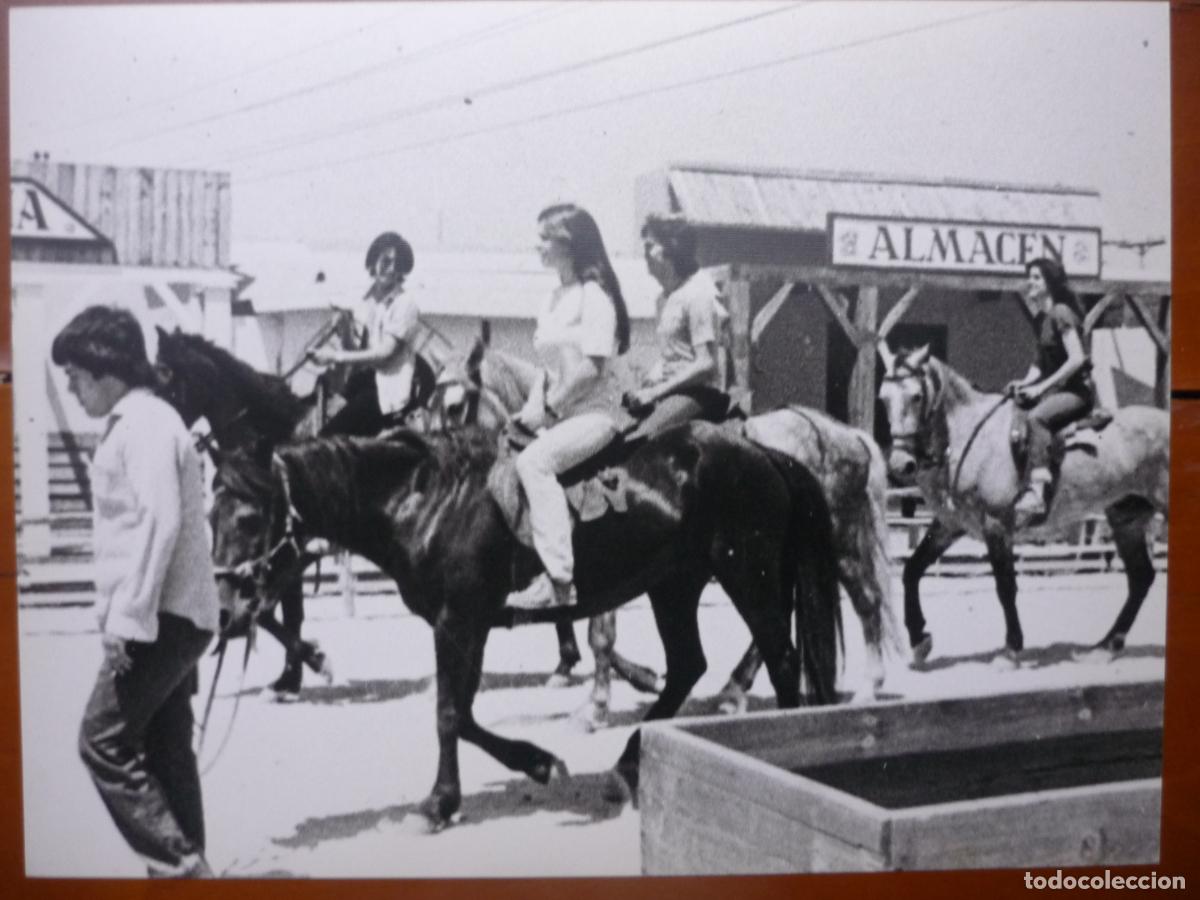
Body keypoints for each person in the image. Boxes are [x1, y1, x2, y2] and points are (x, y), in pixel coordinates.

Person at [51, 305, 219, 879]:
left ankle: (182, 870)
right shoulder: (150, 419)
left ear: (103, 369)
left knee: (101, 742)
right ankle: (189, 868)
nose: (72, 390)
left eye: (74, 376)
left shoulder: (143, 424)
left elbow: (160, 521)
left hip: (158, 618)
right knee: (166, 750)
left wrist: (126, 617)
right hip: (176, 614)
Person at [511, 204, 631, 608]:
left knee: (533, 464)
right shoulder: (551, 298)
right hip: (558, 414)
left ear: (571, 245)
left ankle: (559, 579)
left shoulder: (595, 296)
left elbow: (591, 369)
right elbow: (547, 370)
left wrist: (551, 408)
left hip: (595, 415)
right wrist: (530, 409)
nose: (538, 244)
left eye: (546, 238)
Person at [311, 230, 430, 436]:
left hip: (389, 393)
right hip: (363, 385)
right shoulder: (365, 301)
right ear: (373, 262)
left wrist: (333, 356)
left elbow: (384, 354)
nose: (391, 269)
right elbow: (358, 355)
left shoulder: (406, 304)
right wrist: (345, 330)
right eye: (386, 262)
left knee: (327, 440)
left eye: (397, 264)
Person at [624, 214, 732, 437]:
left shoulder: (697, 295)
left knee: (641, 440)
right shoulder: (663, 300)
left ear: (671, 248)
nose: (644, 254)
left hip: (698, 394)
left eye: (649, 246)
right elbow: (669, 357)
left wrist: (655, 392)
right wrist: (645, 386)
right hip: (671, 392)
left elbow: (706, 363)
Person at [1009, 257, 1096, 524]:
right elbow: (1039, 363)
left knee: (1037, 418)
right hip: (1056, 392)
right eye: (1029, 277)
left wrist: (1041, 388)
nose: (1030, 282)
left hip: (1077, 394)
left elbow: (1076, 358)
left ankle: (1037, 491)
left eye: (1036, 277)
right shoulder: (1043, 319)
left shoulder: (1061, 313)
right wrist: (1025, 383)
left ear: (1049, 283)